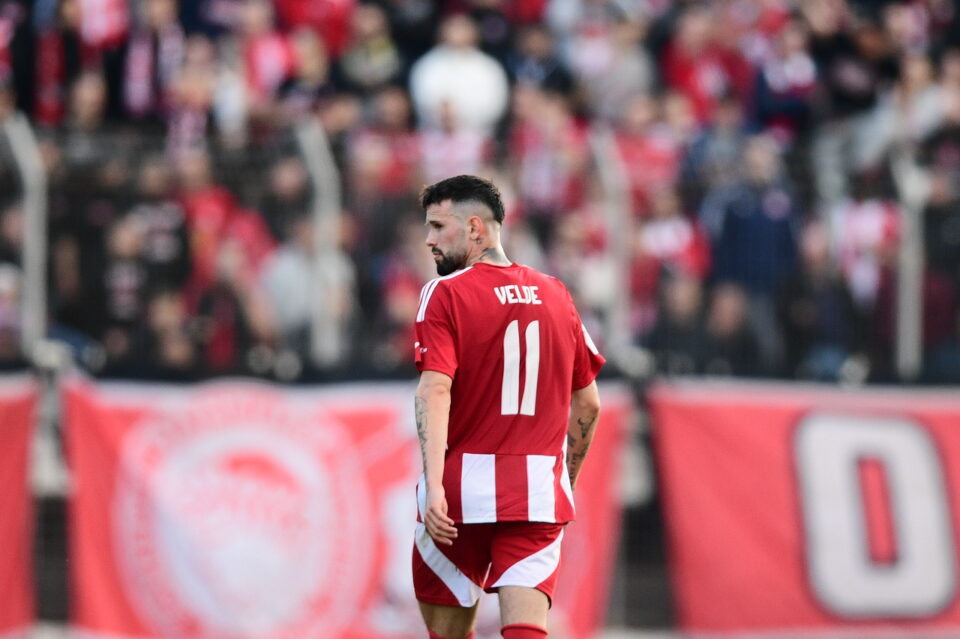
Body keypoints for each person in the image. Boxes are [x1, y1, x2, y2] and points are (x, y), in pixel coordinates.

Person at [411, 175, 605, 639]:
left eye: (438, 226)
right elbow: (589, 403)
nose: (429, 240)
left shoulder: (445, 292)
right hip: (536, 493)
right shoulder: (556, 294)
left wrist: (434, 487)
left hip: (459, 496)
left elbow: (434, 390)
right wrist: (564, 482)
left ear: (474, 228)